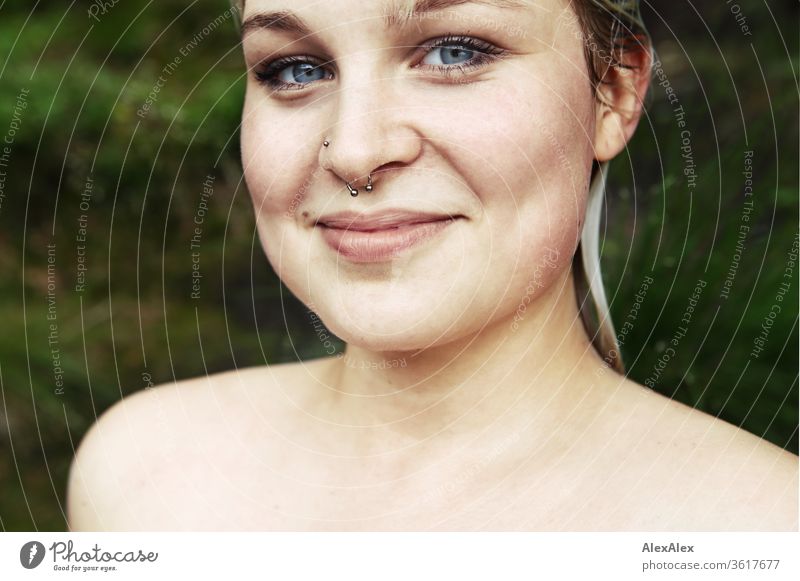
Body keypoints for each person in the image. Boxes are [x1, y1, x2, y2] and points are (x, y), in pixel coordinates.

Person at [67, 0, 797, 531]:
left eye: (455, 52)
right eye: (294, 68)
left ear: (613, 91)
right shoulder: (142, 476)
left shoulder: (761, 530)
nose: (353, 150)